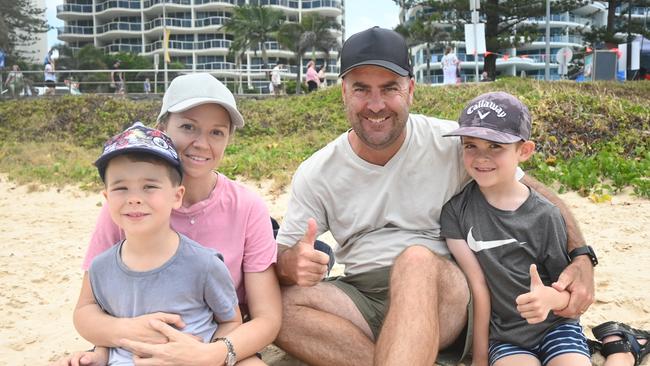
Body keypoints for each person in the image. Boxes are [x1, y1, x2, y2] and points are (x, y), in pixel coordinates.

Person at [273, 27, 595, 366]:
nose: (376, 104)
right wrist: (290, 264)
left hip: (443, 291)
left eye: (389, 88)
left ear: (410, 89)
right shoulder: (317, 170)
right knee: (277, 307)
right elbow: (282, 257)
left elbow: (534, 192)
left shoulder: (453, 143)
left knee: (415, 259)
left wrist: (581, 255)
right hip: (361, 294)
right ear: (343, 92)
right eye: (361, 89)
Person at [54, 73, 280, 366]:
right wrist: (128, 331)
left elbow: (267, 318)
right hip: (135, 350)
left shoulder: (247, 207)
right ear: (162, 129)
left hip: (217, 343)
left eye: (217, 132)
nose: (201, 143)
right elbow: (86, 311)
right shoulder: (130, 208)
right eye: (188, 127)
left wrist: (208, 355)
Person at [439, 92, 592, 366]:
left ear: (524, 150)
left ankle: (621, 353)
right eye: (470, 145)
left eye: (496, 146)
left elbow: (566, 288)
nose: (481, 157)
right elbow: (478, 285)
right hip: (506, 335)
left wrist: (548, 299)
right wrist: (480, 358)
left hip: (555, 326)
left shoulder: (546, 214)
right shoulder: (455, 213)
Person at [79, 122, 242, 365]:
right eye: (121, 188)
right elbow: (104, 330)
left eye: (149, 187)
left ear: (177, 196)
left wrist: (209, 356)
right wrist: (96, 357)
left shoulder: (204, 264)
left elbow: (231, 321)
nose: (134, 199)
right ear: (107, 197)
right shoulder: (100, 268)